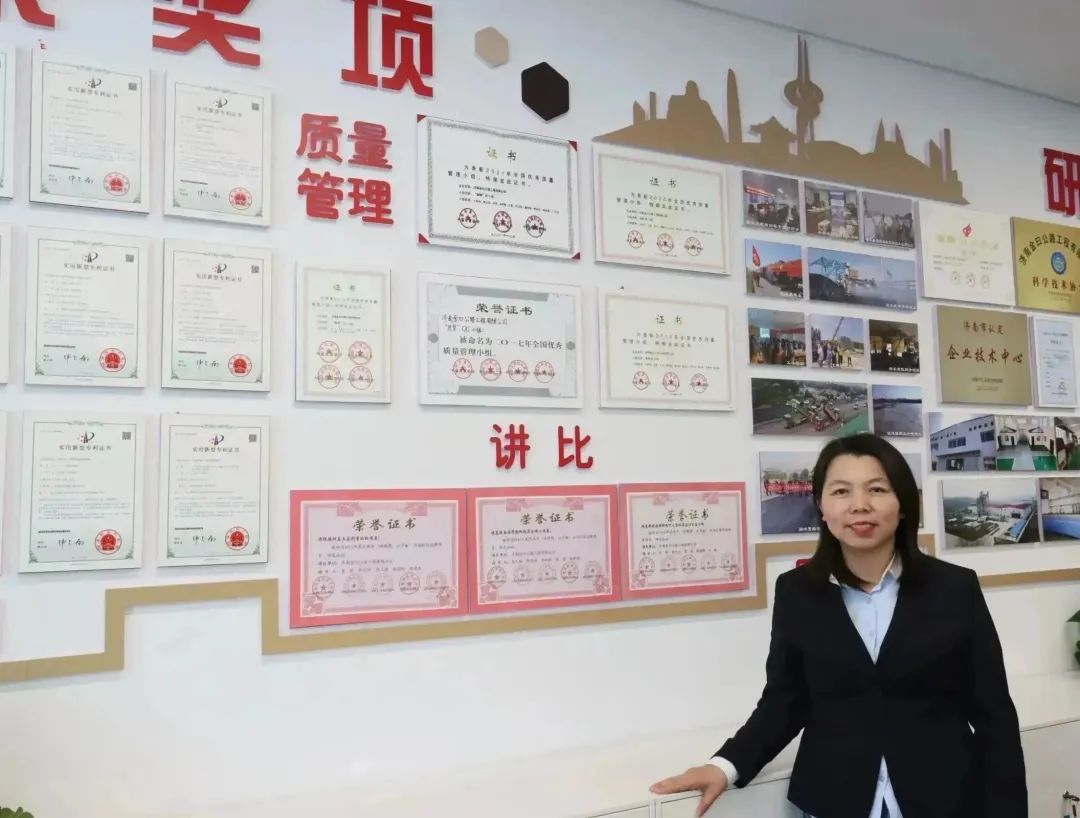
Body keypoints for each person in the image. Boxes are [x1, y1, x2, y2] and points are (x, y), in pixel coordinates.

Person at [650, 433, 1026, 818]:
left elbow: (994, 713)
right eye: (841, 491)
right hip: (834, 798)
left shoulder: (954, 587)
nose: (859, 505)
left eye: (877, 489)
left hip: (944, 799)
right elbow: (786, 699)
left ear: (902, 505)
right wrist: (725, 765)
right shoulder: (797, 592)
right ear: (822, 507)